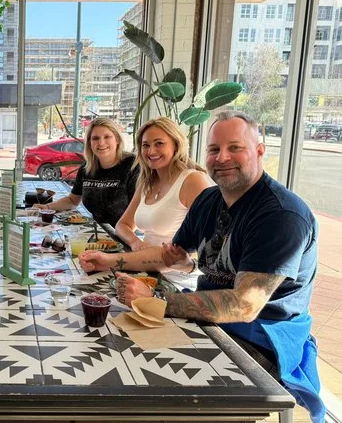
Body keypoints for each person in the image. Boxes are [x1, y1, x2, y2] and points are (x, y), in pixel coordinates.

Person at [79, 111, 324, 422]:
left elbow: (243, 305)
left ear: (260, 151)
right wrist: (110, 260)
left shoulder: (280, 215)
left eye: (235, 148)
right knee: (112, 350)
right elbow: (167, 256)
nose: (222, 158)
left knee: (154, 384)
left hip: (260, 340)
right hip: (207, 323)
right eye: (214, 149)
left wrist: (155, 301)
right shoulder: (210, 200)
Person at [115, 117, 210, 290]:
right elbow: (122, 225)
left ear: (176, 145)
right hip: (146, 273)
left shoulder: (192, 180)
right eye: (145, 145)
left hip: (178, 283)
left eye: (159, 143)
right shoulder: (147, 182)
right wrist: (135, 241)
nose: (151, 151)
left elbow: (208, 248)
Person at [35, 117, 138, 227]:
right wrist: (47, 207)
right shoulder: (86, 168)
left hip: (124, 232)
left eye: (107, 137)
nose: (101, 143)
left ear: (117, 139)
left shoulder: (133, 165)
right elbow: (72, 200)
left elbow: (138, 211)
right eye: (95, 138)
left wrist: (122, 234)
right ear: (89, 143)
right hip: (96, 230)